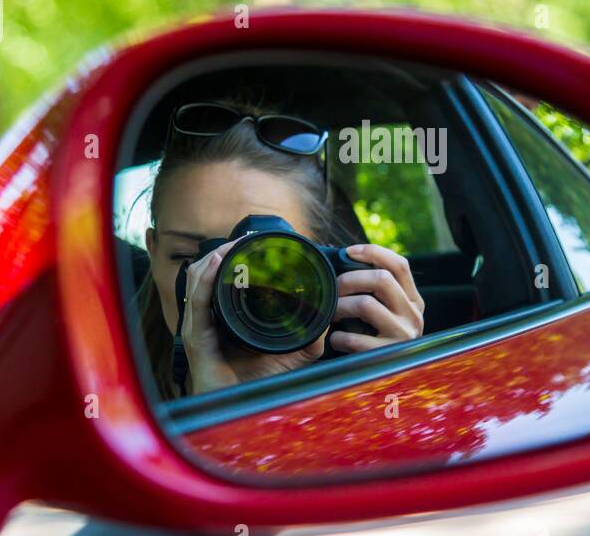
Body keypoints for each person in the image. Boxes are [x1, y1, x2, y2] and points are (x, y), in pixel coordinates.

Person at [137, 99, 425, 399]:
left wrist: (388, 390)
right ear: (152, 252)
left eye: (275, 262)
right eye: (188, 258)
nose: (232, 288)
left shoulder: (355, 381)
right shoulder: (101, 384)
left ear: (324, 270)